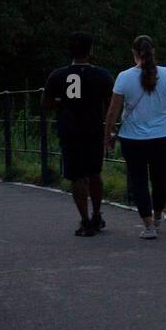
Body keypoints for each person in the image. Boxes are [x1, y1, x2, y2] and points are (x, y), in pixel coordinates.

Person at [104, 35, 166, 241]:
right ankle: (157, 216)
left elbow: (112, 111)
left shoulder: (124, 77)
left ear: (134, 53)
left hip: (132, 138)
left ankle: (148, 226)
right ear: (153, 52)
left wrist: (108, 134)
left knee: (138, 180)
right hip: (162, 136)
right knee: (159, 177)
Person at [41, 31, 113, 237]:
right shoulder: (102, 75)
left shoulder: (58, 76)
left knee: (77, 177)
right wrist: (110, 128)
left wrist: (61, 102)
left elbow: (45, 103)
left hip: (70, 131)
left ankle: (85, 220)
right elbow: (111, 105)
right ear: (91, 50)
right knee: (95, 173)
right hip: (93, 130)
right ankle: (97, 214)